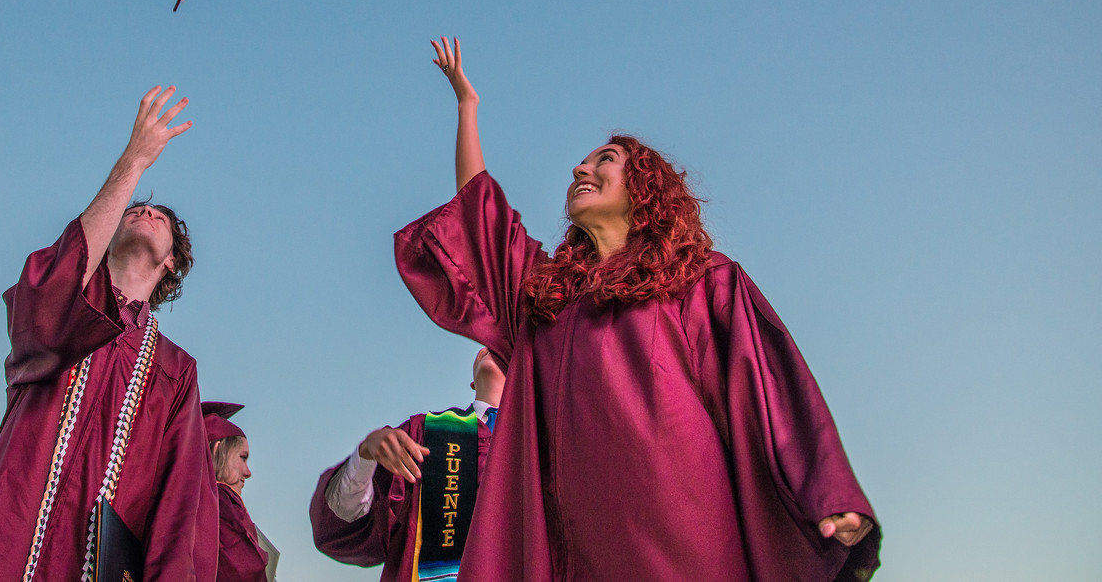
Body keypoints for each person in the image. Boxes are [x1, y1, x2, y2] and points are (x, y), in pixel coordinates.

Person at [392, 38, 882, 582]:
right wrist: (467, 108)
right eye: (582, 159)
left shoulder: (700, 282)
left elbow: (769, 392)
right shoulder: (545, 300)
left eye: (605, 160)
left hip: (686, 538)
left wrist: (828, 489)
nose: (581, 166)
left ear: (644, 190)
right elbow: (479, 215)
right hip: (569, 550)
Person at [0, 86, 219, 582]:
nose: (146, 212)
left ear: (172, 261)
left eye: (162, 218)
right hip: (5, 540)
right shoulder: (62, 308)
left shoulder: (175, 372)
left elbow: (180, 509)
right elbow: (55, 285)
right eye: (135, 208)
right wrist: (132, 163)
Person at [310, 347, 505, 582]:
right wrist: (365, 456)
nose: (488, 347)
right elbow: (344, 526)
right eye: (485, 342)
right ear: (472, 381)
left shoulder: (545, 451)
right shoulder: (425, 437)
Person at [203, 401, 279, 582]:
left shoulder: (182, 503)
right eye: (242, 458)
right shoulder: (222, 503)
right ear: (217, 449)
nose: (248, 472)